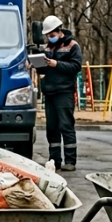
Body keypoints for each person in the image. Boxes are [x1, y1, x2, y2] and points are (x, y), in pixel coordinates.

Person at [36, 15, 82, 171]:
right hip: (50, 92)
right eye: (48, 35)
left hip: (64, 92)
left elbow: (75, 67)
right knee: (52, 128)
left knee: (66, 125)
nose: (50, 38)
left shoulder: (72, 46)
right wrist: (36, 64)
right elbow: (44, 69)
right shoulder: (48, 48)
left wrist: (56, 64)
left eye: (52, 35)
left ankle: (70, 161)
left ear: (59, 31)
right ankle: (54, 160)